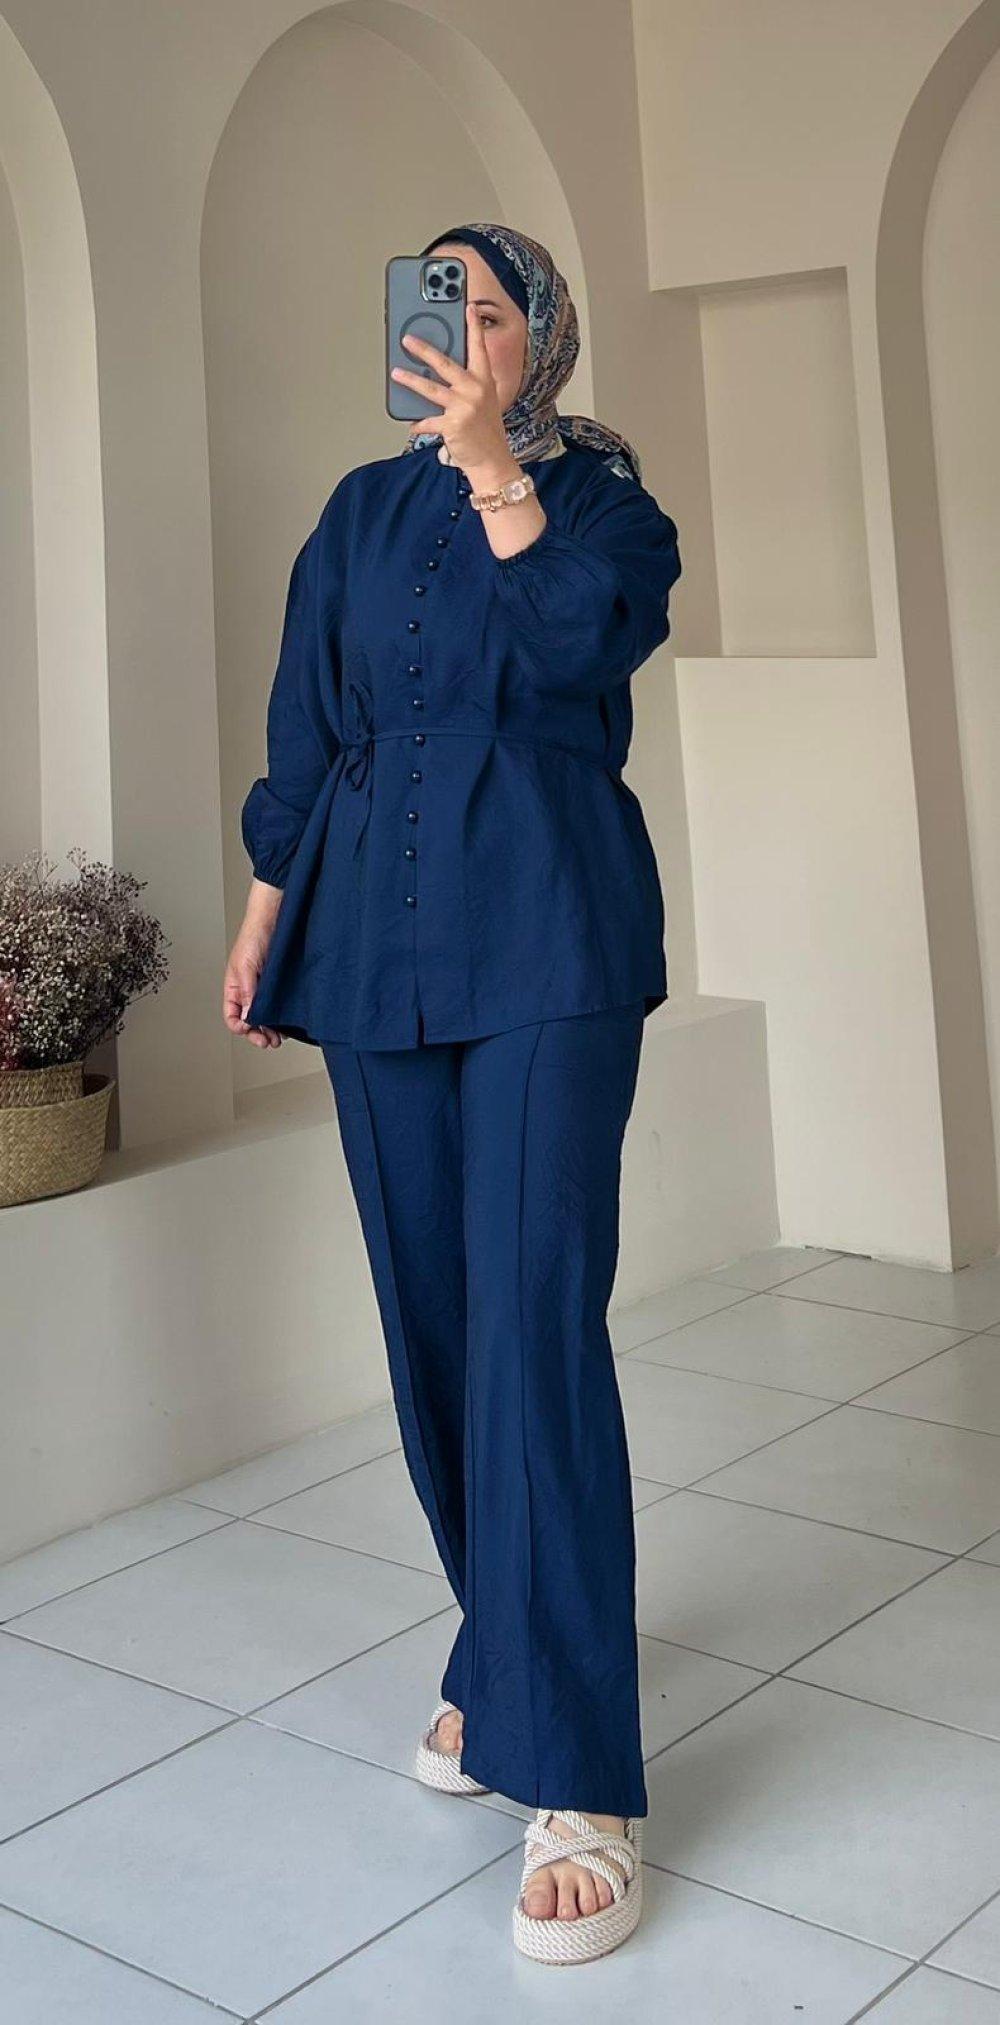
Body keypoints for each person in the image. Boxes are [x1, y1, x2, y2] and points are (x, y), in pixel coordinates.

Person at [224, 221, 681, 1965]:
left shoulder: (605, 505)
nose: (456, 338)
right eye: (437, 310)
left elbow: (578, 651)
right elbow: (307, 730)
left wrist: (501, 474)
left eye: (487, 314)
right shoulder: (354, 512)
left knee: (531, 1325)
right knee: (430, 1326)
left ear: (539, 341)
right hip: (374, 947)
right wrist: (264, 919)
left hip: (549, 942)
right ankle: (506, 1647)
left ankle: (578, 1775)